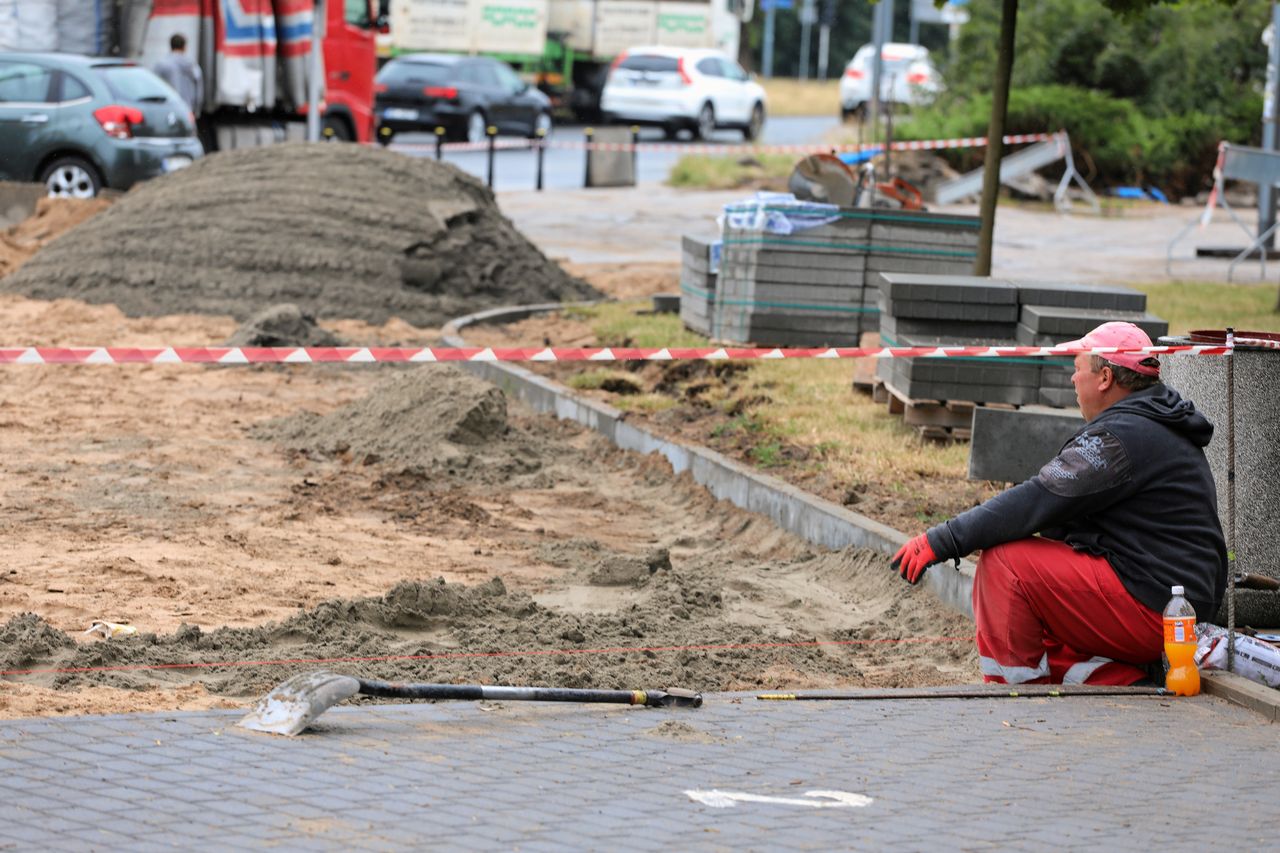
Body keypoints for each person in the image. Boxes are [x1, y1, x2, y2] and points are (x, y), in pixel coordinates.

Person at [890, 321, 1227, 685]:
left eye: (1077, 368)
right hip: (1176, 602)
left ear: (1105, 378)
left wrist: (943, 539)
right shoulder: (1151, 421)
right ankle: (1117, 679)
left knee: (1007, 566)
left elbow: (1038, 499)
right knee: (1041, 575)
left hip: (1157, 609)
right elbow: (1055, 513)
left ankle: (1012, 691)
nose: (1072, 380)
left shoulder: (1119, 438)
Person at [153, 33, 203, 115]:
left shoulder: (161, 65)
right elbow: (198, 88)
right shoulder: (193, 66)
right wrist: (196, 109)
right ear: (184, 47)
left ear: (170, 46)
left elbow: (154, 87)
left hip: (167, 110)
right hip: (187, 109)